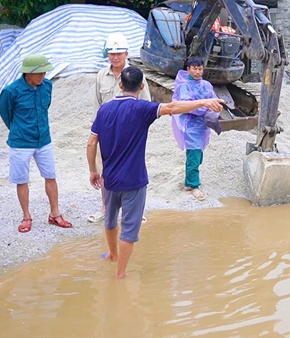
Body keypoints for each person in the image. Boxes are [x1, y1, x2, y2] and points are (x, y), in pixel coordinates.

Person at [86, 65, 222, 279]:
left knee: (110, 220)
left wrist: (94, 171)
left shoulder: (104, 110)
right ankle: (121, 273)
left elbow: (91, 142)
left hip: (109, 179)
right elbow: (172, 107)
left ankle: (112, 255)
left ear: (120, 85)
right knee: (129, 228)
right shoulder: (143, 109)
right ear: (141, 87)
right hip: (134, 180)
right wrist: (204, 102)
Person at [0, 54, 73, 233]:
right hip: (21, 142)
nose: (43, 76)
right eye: (39, 73)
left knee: (50, 175)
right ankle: (26, 216)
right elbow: (5, 113)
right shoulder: (11, 91)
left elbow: (45, 107)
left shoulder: (47, 85)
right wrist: (18, 128)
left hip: (44, 139)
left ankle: (55, 214)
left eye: (44, 72)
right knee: (22, 179)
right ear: (27, 74)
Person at [87, 32, 151, 223]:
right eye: (112, 53)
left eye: (119, 53)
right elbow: (97, 104)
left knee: (132, 170)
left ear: (126, 54)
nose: (115, 57)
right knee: (105, 169)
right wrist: (96, 131)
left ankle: (134, 210)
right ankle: (106, 207)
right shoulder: (101, 76)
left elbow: (145, 103)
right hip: (107, 133)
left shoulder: (137, 76)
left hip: (130, 134)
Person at [172, 56, 219, 201]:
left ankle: (189, 181)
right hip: (191, 125)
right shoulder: (184, 86)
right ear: (188, 69)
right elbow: (187, 105)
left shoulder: (207, 85)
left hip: (203, 125)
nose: (198, 72)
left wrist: (216, 108)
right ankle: (193, 185)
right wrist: (204, 106)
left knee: (198, 155)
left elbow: (214, 99)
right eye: (194, 68)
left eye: (200, 68)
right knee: (193, 154)